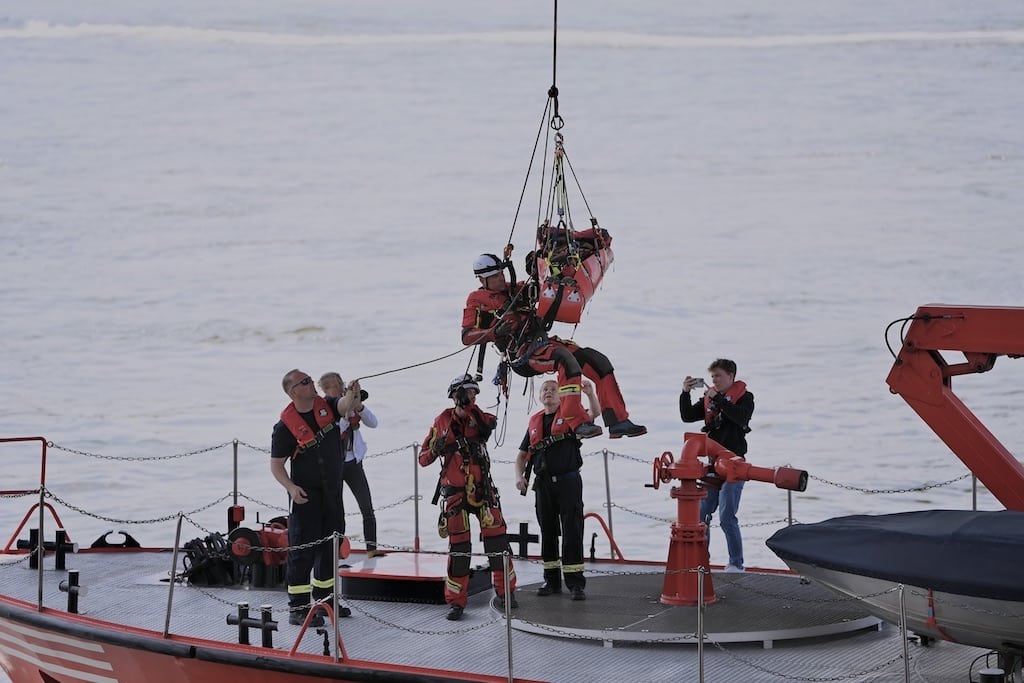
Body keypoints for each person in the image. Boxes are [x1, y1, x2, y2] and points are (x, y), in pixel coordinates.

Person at [461, 252, 646, 440]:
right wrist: (494, 332)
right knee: (565, 360)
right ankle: (577, 421)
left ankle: (618, 421)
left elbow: (544, 289)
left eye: (501, 273)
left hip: (542, 343)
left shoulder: (515, 289)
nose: (500, 278)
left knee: (598, 361)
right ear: (482, 280)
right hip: (523, 354)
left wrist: (539, 267)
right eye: (494, 276)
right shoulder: (476, 300)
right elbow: (466, 336)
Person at [420, 374, 517, 621]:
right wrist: (437, 447)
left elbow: (488, 425)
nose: (470, 396)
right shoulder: (441, 420)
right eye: (465, 392)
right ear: (453, 395)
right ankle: (456, 602)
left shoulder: (479, 416)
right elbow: (423, 459)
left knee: (497, 543)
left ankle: (506, 593)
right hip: (455, 495)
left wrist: (468, 410)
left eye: (473, 392)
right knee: (460, 550)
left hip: (483, 492)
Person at [271, 369, 358, 625]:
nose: (311, 383)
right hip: (306, 497)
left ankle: (325, 601)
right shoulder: (283, 428)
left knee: (331, 547)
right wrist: (290, 487)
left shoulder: (327, 405)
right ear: (293, 391)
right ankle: (298, 608)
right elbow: (276, 465)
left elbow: (344, 405)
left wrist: (352, 393)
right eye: (305, 381)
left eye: (310, 379)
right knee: (303, 551)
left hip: (333, 493)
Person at [515, 379, 598, 600]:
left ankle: (575, 584)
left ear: (562, 396)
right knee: (548, 532)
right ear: (539, 395)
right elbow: (521, 456)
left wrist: (590, 394)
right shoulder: (534, 422)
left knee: (572, 531)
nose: (549, 392)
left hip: (568, 481)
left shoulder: (571, 416)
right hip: (543, 485)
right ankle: (551, 581)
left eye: (553, 389)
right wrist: (519, 477)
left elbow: (594, 414)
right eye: (545, 389)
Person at [679, 358, 755, 572]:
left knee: (727, 518)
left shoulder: (745, 397)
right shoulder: (709, 398)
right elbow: (687, 416)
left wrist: (719, 400)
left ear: (731, 376)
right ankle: (701, 560)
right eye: (712, 377)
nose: (714, 380)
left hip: (734, 464)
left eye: (718, 376)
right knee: (702, 515)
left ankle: (736, 564)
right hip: (713, 465)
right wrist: (685, 393)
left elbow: (741, 418)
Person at [318, 372, 382, 558]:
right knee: (336, 512)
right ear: (325, 389)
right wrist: (346, 417)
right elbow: (333, 434)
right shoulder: (324, 408)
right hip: (334, 465)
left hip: (354, 462)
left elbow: (373, 423)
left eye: (341, 384)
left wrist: (358, 405)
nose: (340, 388)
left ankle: (372, 549)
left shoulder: (350, 403)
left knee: (367, 506)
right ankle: (336, 552)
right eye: (335, 386)